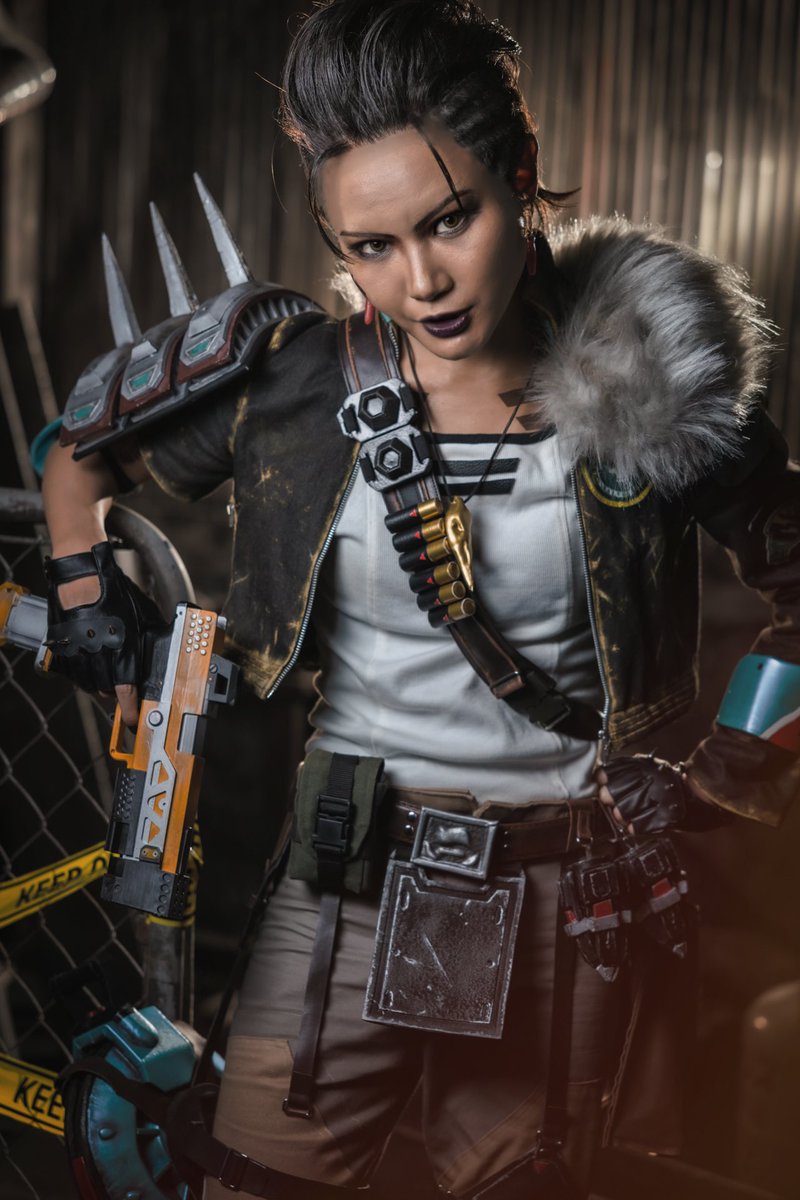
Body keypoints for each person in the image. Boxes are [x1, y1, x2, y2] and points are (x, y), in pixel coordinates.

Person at [40, 1, 800, 1197]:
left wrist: (720, 779)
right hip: (344, 875)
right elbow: (77, 453)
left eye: (451, 220)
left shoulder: (646, 380)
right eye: (371, 245)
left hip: (570, 894)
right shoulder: (293, 388)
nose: (423, 280)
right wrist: (85, 582)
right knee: (248, 1180)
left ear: (520, 175)